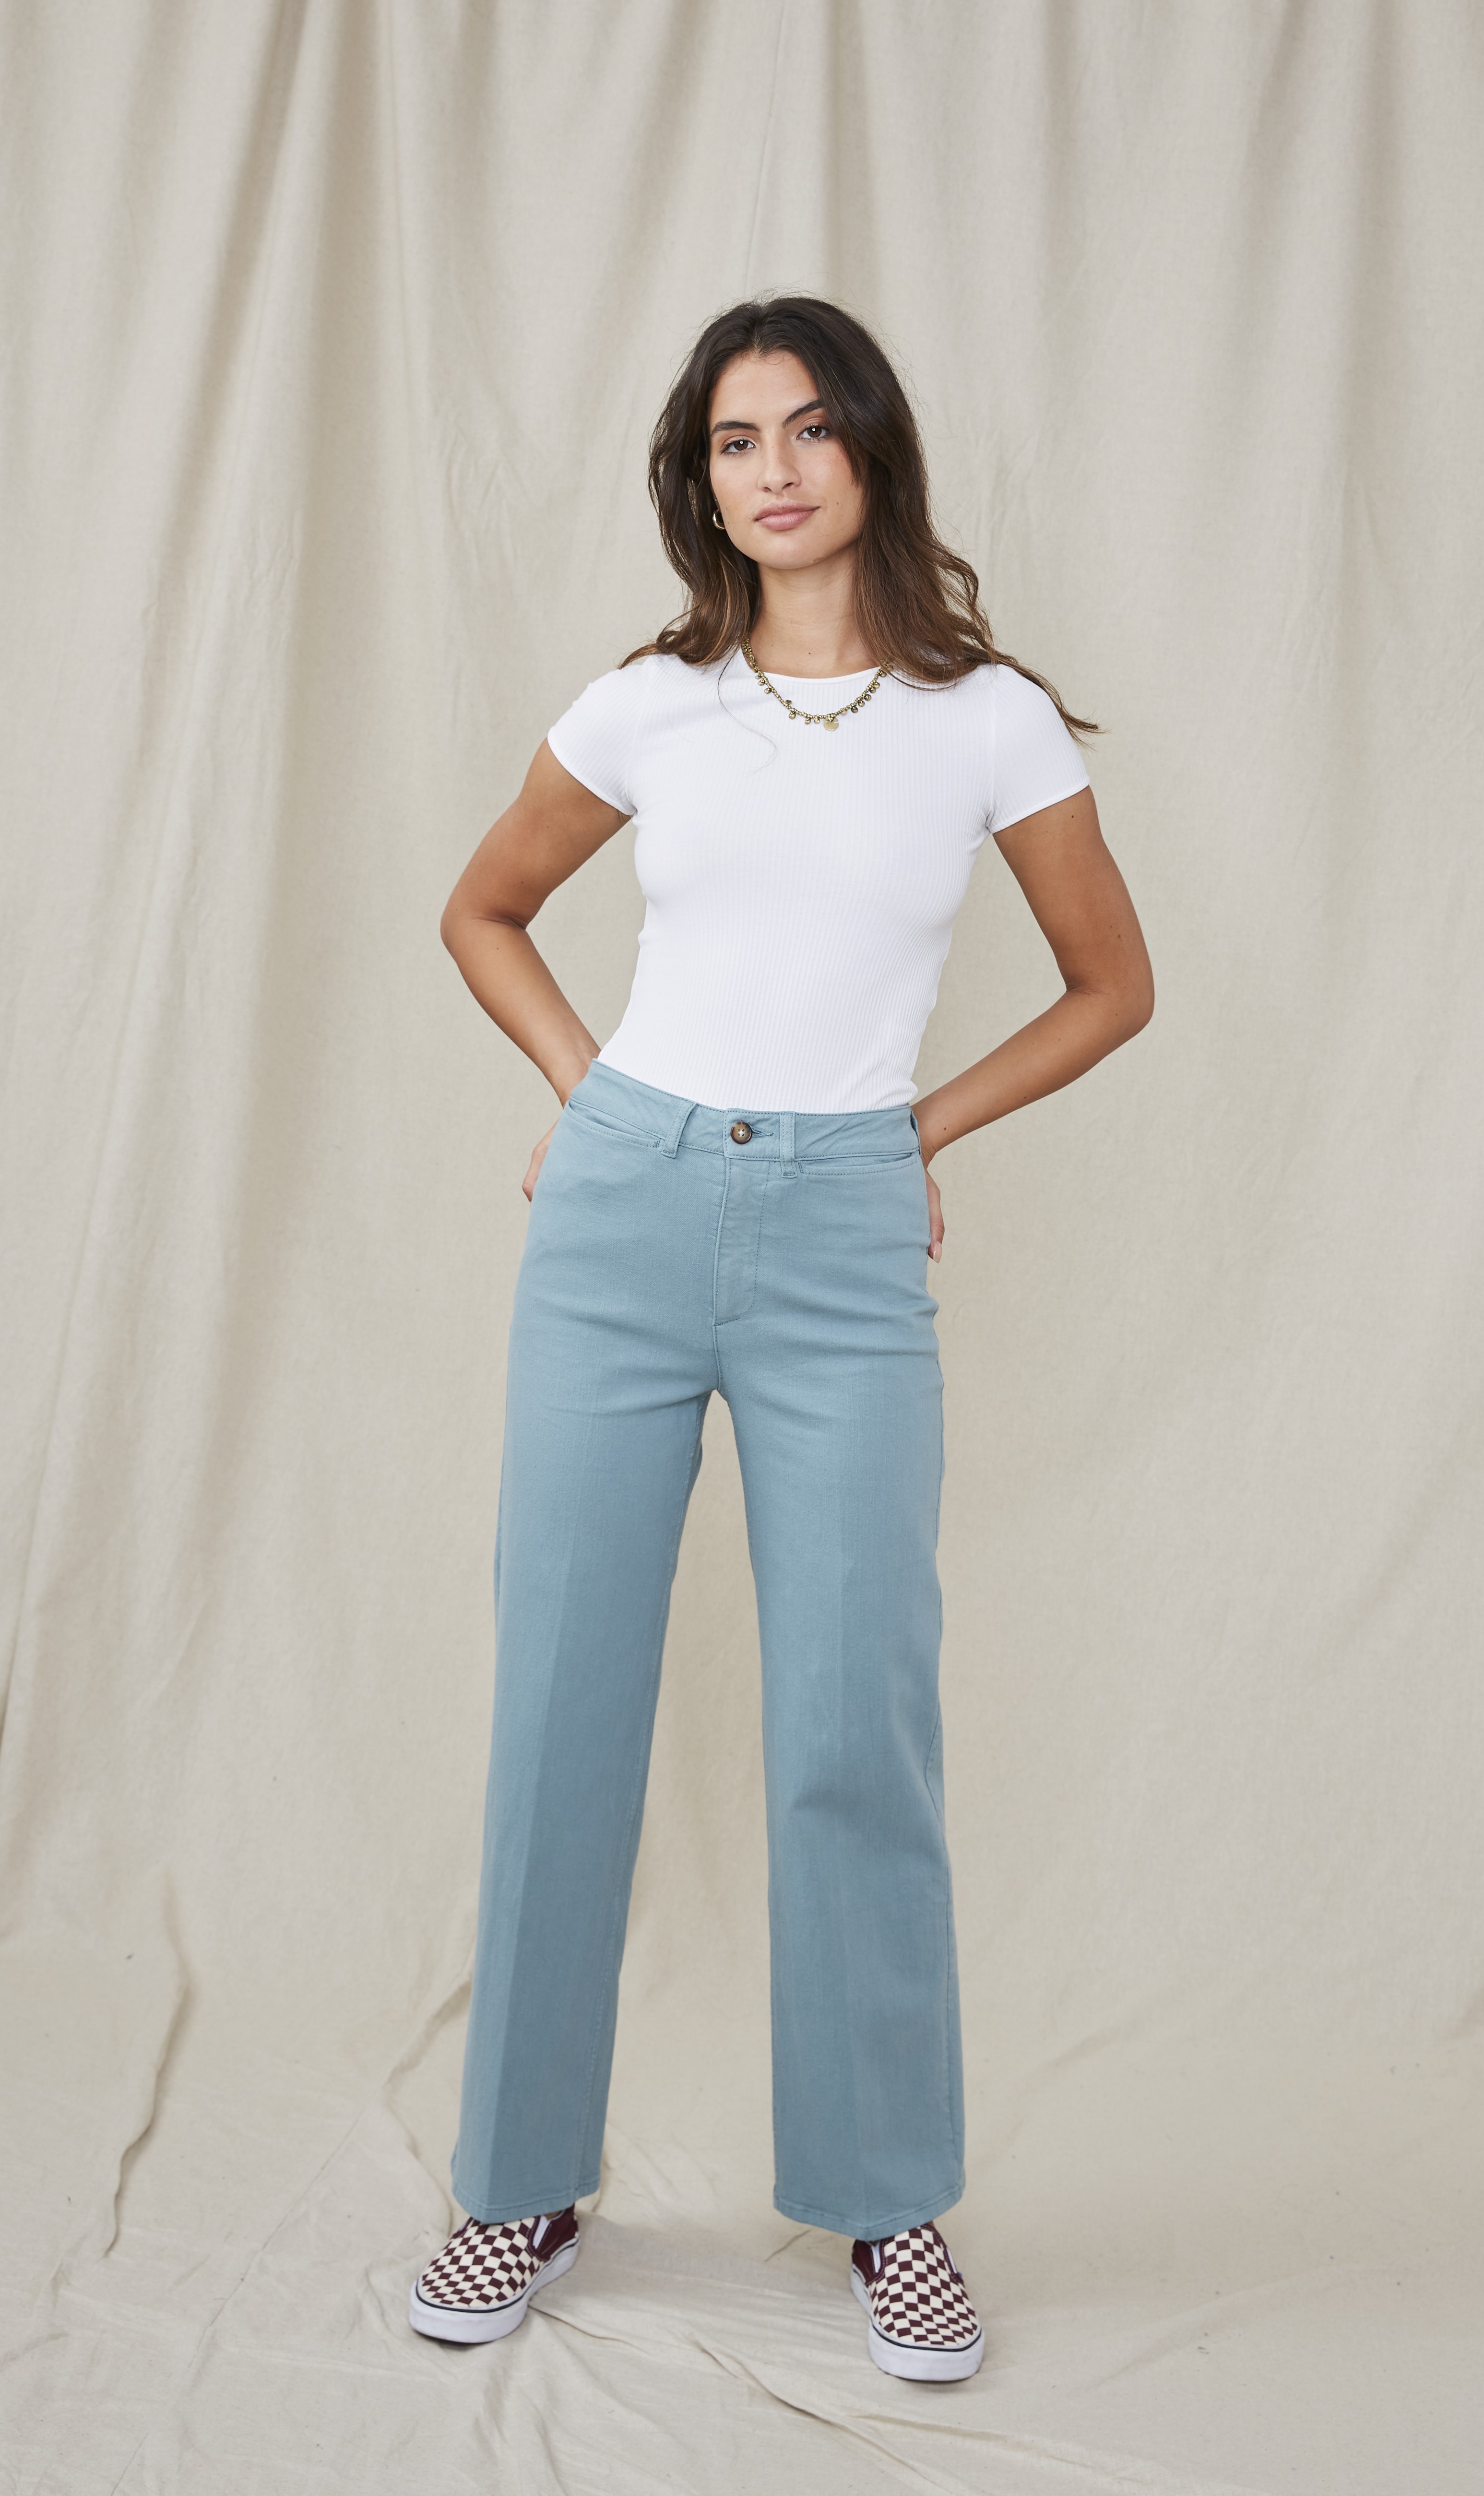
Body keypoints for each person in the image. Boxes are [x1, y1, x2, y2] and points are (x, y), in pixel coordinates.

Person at [409, 296, 1152, 2381]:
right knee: (564, 1701)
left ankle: (887, 2199)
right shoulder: (651, 706)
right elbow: (481, 908)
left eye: (811, 430)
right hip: (624, 1212)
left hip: (841, 1232)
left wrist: (913, 1132)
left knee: (854, 1718)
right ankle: (519, 2179)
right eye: (737, 440)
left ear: (872, 453)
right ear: (701, 479)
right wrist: (592, 1099)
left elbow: (1113, 983)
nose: (776, 469)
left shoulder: (987, 721)